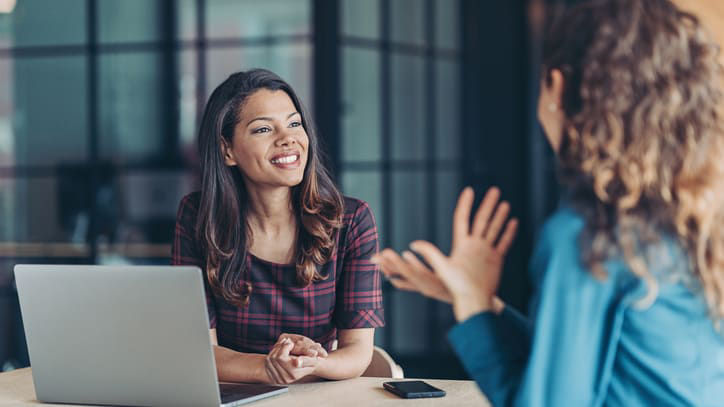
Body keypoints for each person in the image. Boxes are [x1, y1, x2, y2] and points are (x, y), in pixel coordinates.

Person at [372, 0, 724, 405]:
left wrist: (474, 309)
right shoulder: (691, 212)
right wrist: (479, 304)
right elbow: (592, 362)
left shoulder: (590, 235)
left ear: (556, 87)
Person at [172, 69, 384, 385]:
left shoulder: (351, 220)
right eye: (263, 130)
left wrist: (308, 362)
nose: (288, 139)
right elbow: (199, 349)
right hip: (233, 396)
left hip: (317, 395)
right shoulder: (197, 217)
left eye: (295, 123)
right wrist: (267, 367)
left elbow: (357, 351)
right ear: (227, 150)